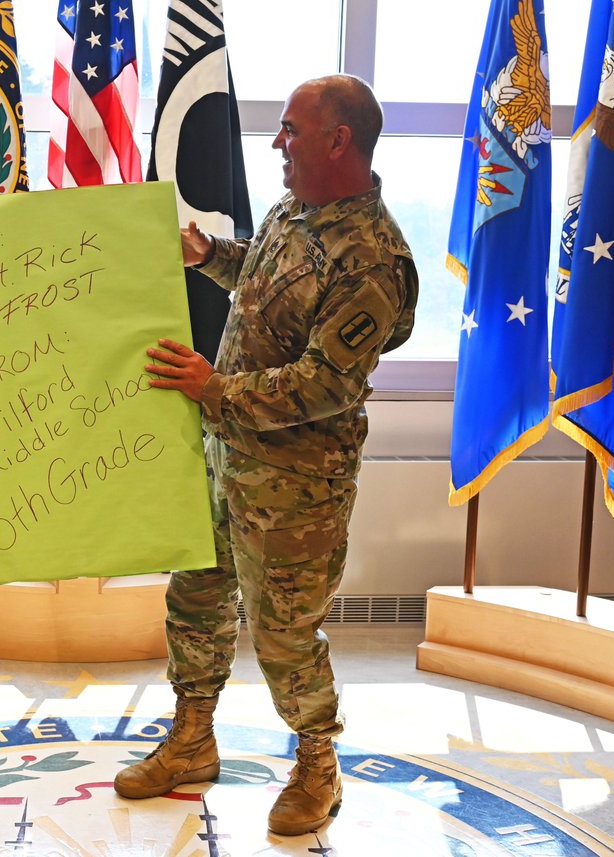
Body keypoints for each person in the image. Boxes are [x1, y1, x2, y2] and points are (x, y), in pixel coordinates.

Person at [119, 75, 418, 836]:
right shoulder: (299, 211)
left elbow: (326, 383)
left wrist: (214, 389)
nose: (278, 143)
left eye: (290, 129)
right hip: (226, 456)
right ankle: (192, 738)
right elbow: (266, 278)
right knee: (197, 595)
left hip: (296, 484)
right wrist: (211, 253)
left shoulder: (373, 257)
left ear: (336, 140)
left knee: (284, 630)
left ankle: (317, 765)